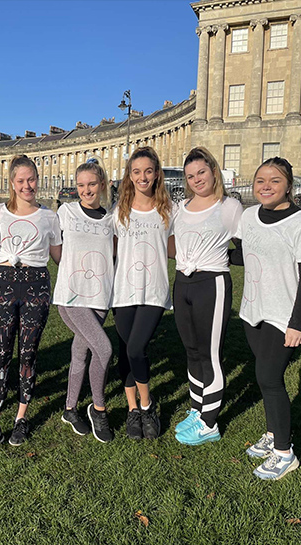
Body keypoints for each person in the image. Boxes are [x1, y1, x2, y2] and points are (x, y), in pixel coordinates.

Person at [0, 155, 62, 455]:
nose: (27, 186)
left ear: (38, 180)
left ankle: (21, 418)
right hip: (3, 283)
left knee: (28, 354)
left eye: (32, 180)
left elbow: (60, 257)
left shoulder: (49, 216)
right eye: (21, 181)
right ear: (12, 183)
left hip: (36, 284)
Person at [234, 157, 300, 480]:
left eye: (274, 180)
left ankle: (285, 453)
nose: (266, 186)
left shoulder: (299, 221)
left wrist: (297, 323)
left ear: (288, 185)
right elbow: (244, 252)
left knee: (270, 378)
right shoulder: (248, 216)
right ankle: (274, 433)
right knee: (265, 378)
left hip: (282, 314)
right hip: (252, 311)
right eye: (260, 180)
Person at [173, 147, 243, 445]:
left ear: (213, 171)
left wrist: (223, 255)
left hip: (211, 283)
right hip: (182, 283)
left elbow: (247, 247)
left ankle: (210, 423)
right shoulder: (182, 206)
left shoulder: (230, 207)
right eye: (191, 176)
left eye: (201, 172)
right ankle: (196, 409)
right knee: (191, 351)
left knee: (210, 352)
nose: (197, 179)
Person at [112, 147, 174, 441]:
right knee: (127, 352)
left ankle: (147, 407)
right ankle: (132, 410)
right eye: (136, 172)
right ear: (129, 176)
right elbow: (108, 250)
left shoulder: (169, 211)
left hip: (154, 291)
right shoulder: (120, 211)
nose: (143, 177)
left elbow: (178, 248)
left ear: (157, 173)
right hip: (123, 291)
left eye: (148, 171)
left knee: (136, 348)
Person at [53, 157, 114, 443]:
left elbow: (117, 254)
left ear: (102, 185)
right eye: (80, 185)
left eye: (91, 184)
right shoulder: (66, 212)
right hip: (72, 296)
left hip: (101, 297)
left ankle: (69, 408)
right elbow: (48, 241)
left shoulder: (111, 219)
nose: (86, 190)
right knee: (104, 349)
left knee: (81, 353)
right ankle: (98, 408)